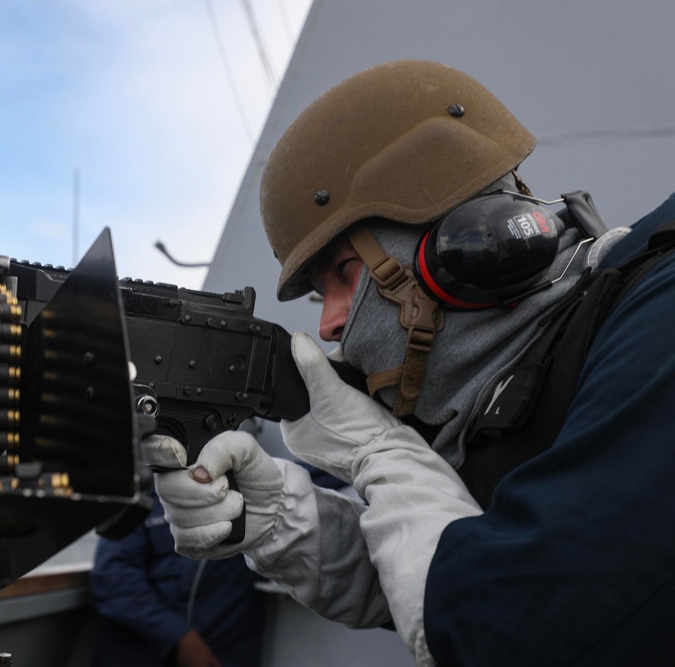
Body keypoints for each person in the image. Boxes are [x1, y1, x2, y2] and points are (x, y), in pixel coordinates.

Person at [142, 59, 675, 666]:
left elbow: (510, 630)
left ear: (476, 246)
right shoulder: (522, 383)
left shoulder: (661, 317)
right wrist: (282, 521)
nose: (329, 324)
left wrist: (380, 454)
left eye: (344, 275)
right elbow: (463, 560)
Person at [88, 486, 265, 667]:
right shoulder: (143, 493)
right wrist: (180, 638)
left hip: (224, 650)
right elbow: (112, 577)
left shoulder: (254, 491)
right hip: (141, 647)